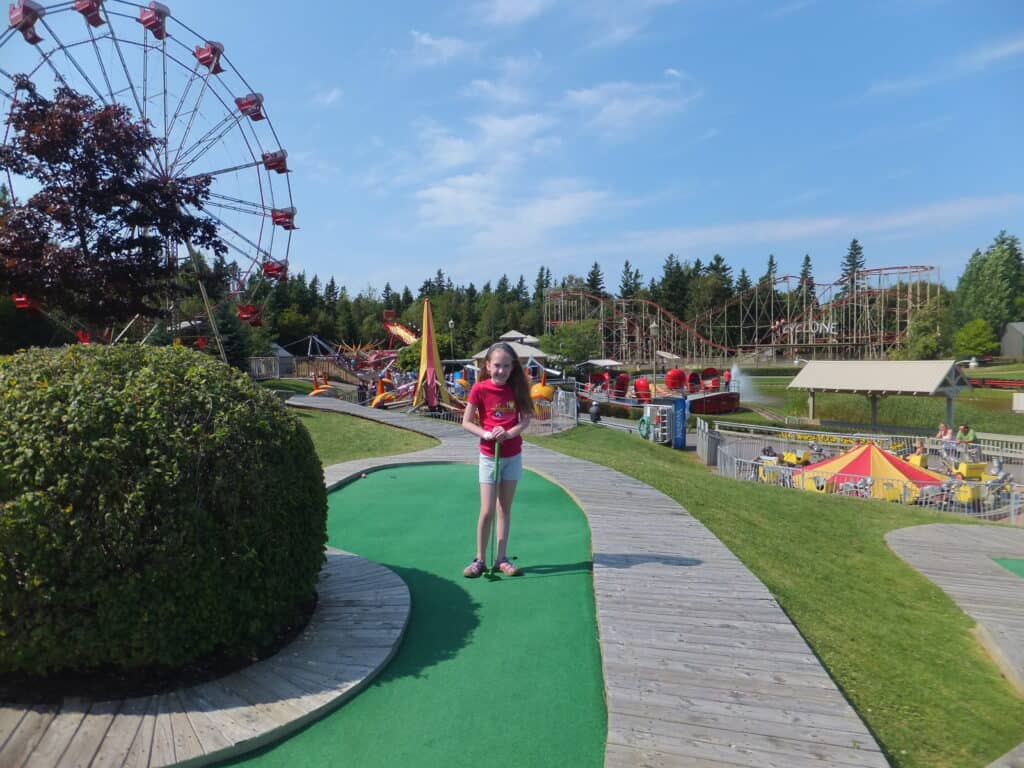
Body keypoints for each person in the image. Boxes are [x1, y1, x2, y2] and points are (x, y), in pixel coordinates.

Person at [461, 342, 534, 578]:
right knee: (487, 511)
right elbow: (466, 421)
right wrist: (486, 433)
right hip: (489, 455)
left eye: (506, 366)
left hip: (512, 455)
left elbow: (525, 420)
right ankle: (479, 559)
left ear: (512, 367)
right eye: (497, 366)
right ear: (487, 366)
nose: (501, 371)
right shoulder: (479, 389)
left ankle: (501, 558)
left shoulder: (517, 389)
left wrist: (509, 433)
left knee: (505, 508)